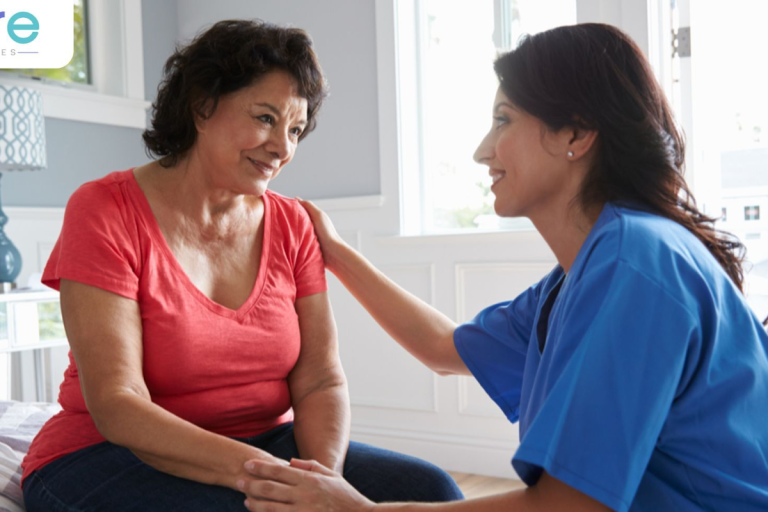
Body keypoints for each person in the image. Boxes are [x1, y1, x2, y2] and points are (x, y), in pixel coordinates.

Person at [237, 23, 768, 512]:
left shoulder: (636, 265)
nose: (481, 151)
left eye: (503, 120)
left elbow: (570, 506)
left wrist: (361, 511)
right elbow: (442, 347)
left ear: (575, 134)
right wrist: (336, 252)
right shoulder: (581, 277)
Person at [21, 19, 462, 511]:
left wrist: (322, 485)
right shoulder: (105, 209)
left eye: (295, 129)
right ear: (202, 107)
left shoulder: (293, 223)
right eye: (266, 118)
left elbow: (320, 379)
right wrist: (271, 480)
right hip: (107, 456)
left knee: (432, 489)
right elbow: (118, 402)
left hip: (265, 444)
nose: (283, 148)